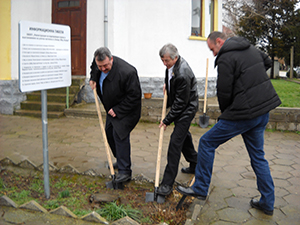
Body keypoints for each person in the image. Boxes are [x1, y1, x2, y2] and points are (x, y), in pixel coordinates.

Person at [176, 31, 281, 216]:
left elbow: (223, 92)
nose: (213, 54)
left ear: (219, 41)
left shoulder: (225, 57)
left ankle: (200, 188)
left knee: (207, 142)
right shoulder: (249, 48)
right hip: (262, 110)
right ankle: (267, 202)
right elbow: (267, 62)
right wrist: (250, 83)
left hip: (243, 113)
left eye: (212, 49)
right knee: (258, 156)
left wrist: (226, 112)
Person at [89, 47, 141, 183]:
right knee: (109, 133)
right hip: (111, 109)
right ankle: (121, 158)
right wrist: (93, 78)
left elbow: (135, 96)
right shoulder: (98, 64)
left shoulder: (128, 72)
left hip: (127, 110)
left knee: (119, 135)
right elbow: (93, 67)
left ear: (111, 59)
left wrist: (118, 110)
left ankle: (125, 172)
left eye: (106, 65)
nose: (103, 69)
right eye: (100, 66)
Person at [157, 43, 199, 196]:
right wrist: (167, 87)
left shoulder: (182, 73)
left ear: (175, 58)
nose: (164, 63)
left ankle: (167, 184)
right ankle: (197, 162)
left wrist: (167, 120)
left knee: (175, 143)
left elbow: (181, 103)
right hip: (181, 106)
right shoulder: (171, 66)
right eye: (162, 60)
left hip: (187, 109)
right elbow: (171, 81)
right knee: (183, 138)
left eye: (166, 61)